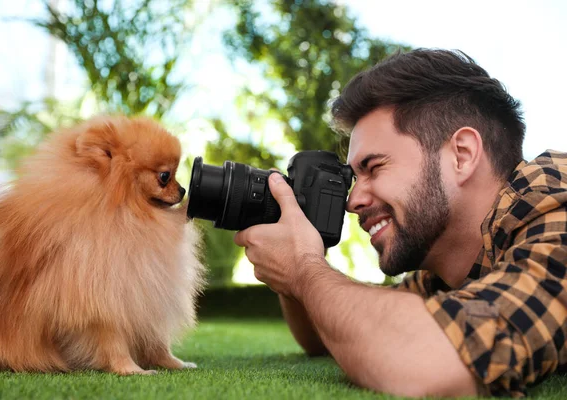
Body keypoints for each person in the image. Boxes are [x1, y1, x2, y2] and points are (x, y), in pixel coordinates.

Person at [233, 49, 567, 398]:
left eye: (374, 167)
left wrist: (304, 268)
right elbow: (336, 333)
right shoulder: (441, 275)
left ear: (462, 155)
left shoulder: (553, 198)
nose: (353, 200)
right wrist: (289, 244)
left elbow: (433, 363)